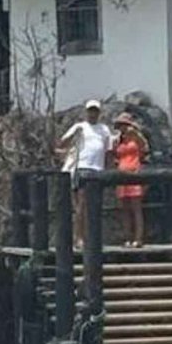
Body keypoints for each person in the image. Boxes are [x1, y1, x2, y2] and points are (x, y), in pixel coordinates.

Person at [56, 100, 115, 248]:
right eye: (90, 110)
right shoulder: (80, 127)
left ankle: (92, 237)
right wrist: (74, 135)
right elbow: (61, 144)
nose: (92, 113)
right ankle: (79, 237)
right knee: (81, 205)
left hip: (97, 170)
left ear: (99, 113)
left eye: (95, 111)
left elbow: (108, 151)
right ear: (86, 112)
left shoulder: (104, 129)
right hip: (82, 167)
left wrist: (110, 169)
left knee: (94, 205)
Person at [111, 112, 149, 247]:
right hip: (122, 174)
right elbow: (114, 156)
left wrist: (135, 134)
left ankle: (138, 238)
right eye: (121, 125)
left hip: (135, 172)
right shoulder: (118, 140)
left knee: (136, 208)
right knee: (124, 208)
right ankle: (127, 237)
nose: (123, 128)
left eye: (125, 125)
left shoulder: (136, 137)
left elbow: (145, 148)